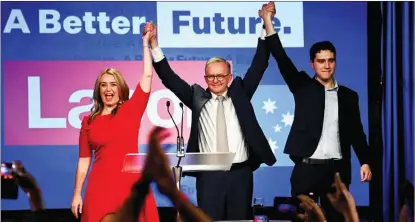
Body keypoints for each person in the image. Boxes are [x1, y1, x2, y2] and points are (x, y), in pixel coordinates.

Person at [143, 4, 277, 220]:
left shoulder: (241, 94)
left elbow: (259, 64)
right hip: (209, 176)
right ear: (205, 78)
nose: (215, 81)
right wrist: (154, 44)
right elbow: (169, 78)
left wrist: (265, 23)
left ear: (229, 77)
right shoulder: (197, 98)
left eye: (221, 76)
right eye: (211, 77)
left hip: (240, 174)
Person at [262, 2, 372, 221]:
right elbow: (281, 58)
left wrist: (365, 162)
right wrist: (268, 22)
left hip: (337, 173)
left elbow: (357, 132)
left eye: (331, 60)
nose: (326, 65)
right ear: (312, 64)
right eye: (321, 61)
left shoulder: (349, 96)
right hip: (307, 170)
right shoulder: (302, 86)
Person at [70, 23, 159, 222]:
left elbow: (147, 75)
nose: (108, 89)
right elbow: (84, 160)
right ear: (98, 90)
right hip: (99, 187)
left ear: (120, 89)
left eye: (113, 85)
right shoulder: (88, 121)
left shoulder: (131, 110)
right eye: (103, 85)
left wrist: (146, 44)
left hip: (130, 185)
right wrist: (77, 193)